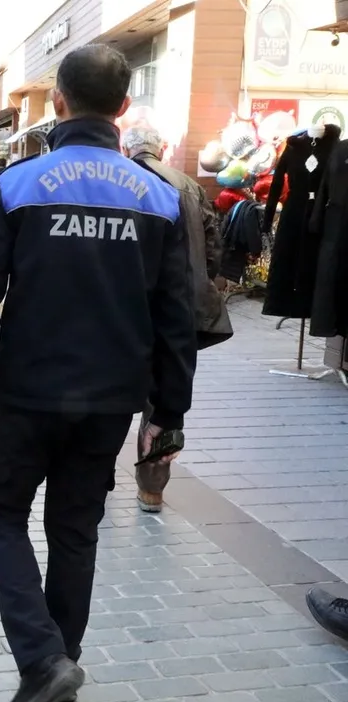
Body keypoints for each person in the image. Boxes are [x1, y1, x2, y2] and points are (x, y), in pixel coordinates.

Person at [0, 43, 196, 702]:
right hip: (110, 400)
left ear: (57, 103)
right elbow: (176, 317)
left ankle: (42, 658)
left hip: (28, 391)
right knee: (75, 528)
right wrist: (167, 413)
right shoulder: (159, 196)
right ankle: (62, 660)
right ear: (123, 107)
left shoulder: (20, 185)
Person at [123, 125, 233, 512]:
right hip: (182, 305)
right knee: (164, 394)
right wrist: (203, 280)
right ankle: (151, 490)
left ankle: (97, 475)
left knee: (112, 391)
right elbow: (213, 244)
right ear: (162, 148)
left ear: (126, 148)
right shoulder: (189, 185)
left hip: (130, 306)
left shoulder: (122, 182)